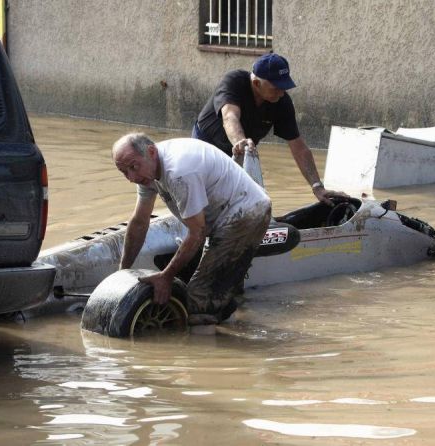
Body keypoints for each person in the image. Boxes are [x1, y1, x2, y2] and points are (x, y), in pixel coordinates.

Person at [112, 133, 272, 333]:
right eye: (123, 172)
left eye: (133, 168)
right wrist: (122, 272)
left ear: (151, 152)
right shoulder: (146, 169)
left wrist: (166, 276)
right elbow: (139, 222)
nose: (131, 178)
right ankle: (228, 322)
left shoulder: (179, 171)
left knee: (198, 298)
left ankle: (201, 357)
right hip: (220, 218)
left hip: (246, 213)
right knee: (209, 286)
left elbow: (197, 232)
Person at [193, 52, 347, 206]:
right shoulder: (234, 82)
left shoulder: (281, 102)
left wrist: (317, 186)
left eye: (284, 87)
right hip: (205, 147)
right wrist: (240, 141)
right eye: (276, 87)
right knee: (203, 201)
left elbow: (298, 147)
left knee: (244, 202)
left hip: (240, 155)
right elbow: (230, 116)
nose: (281, 92)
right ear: (256, 83)